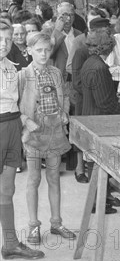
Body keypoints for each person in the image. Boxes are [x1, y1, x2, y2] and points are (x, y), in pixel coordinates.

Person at [18, 32, 76, 246]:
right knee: (33, 179)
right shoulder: (23, 75)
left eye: (47, 50)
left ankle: (56, 222)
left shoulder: (56, 73)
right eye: (39, 50)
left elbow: (65, 97)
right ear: (29, 50)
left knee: (54, 177)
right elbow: (12, 105)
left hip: (55, 131)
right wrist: (26, 120)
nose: (44, 54)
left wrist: (64, 113)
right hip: (34, 133)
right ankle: (33, 225)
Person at [0, 20, 45, 261]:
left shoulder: (11, 67)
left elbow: (15, 103)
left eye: (7, 39)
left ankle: (9, 244)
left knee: (7, 190)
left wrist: (25, 124)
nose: (4, 44)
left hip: (11, 128)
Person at [70, 17, 112, 184]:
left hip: (95, 96)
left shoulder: (100, 53)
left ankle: (103, 188)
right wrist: (95, 91)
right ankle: (80, 168)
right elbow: (77, 81)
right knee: (85, 139)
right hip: (85, 99)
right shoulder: (82, 51)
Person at [49, 2, 83, 81]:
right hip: (58, 79)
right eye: (64, 15)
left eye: (71, 15)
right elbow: (49, 53)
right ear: (57, 16)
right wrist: (57, 31)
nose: (68, 19)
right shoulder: (48, 32)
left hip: (75, 79)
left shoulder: (79, 34)